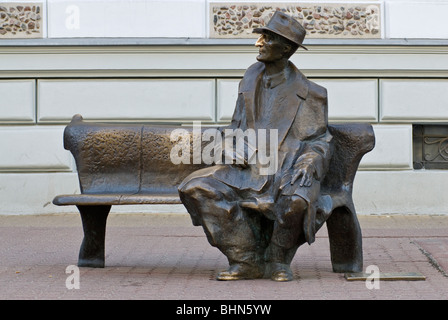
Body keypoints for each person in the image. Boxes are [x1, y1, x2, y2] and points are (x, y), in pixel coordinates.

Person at [178, 11, 333, 282]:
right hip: (247, 167)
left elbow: (319, 140)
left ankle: (277, 259)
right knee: (195, 187)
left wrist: (309, 163)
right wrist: (228, 147)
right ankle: (245, 258)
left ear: (285, 49)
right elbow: (235, 126)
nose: (257, 43)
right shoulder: (250, 79)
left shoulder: (312, 93)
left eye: (266, 38)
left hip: (287, 169)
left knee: (297, 201)